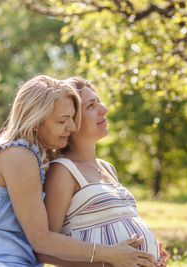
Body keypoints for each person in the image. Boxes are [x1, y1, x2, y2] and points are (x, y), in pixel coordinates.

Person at [0, 75, 157, 267]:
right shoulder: (19, 157)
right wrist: (111, 256)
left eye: (73, 118)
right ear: (36, 121)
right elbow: (41, 240)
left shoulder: (36, 159)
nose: (72, 128)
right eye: (63, 121)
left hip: (10, 258)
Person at [37, 77, 169, 267]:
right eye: (91, 106)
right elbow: (45, 250)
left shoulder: (108, 168)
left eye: (99, 101)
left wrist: (151, 254)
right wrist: (109, 262)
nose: (104, 109)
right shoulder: (63, 171)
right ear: (70, 120)